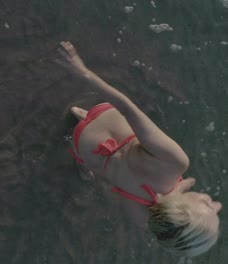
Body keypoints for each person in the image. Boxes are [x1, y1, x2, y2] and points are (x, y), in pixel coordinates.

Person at [55, 41, 222, 257]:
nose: (218, 205)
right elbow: (112, 190)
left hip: (104, 118)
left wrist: (83, 72)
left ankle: (81, 113)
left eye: (209, 205)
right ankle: (77, 120)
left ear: (182, 206)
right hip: (85, 149)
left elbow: (128, 109)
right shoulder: (144, 217)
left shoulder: (175, 163)